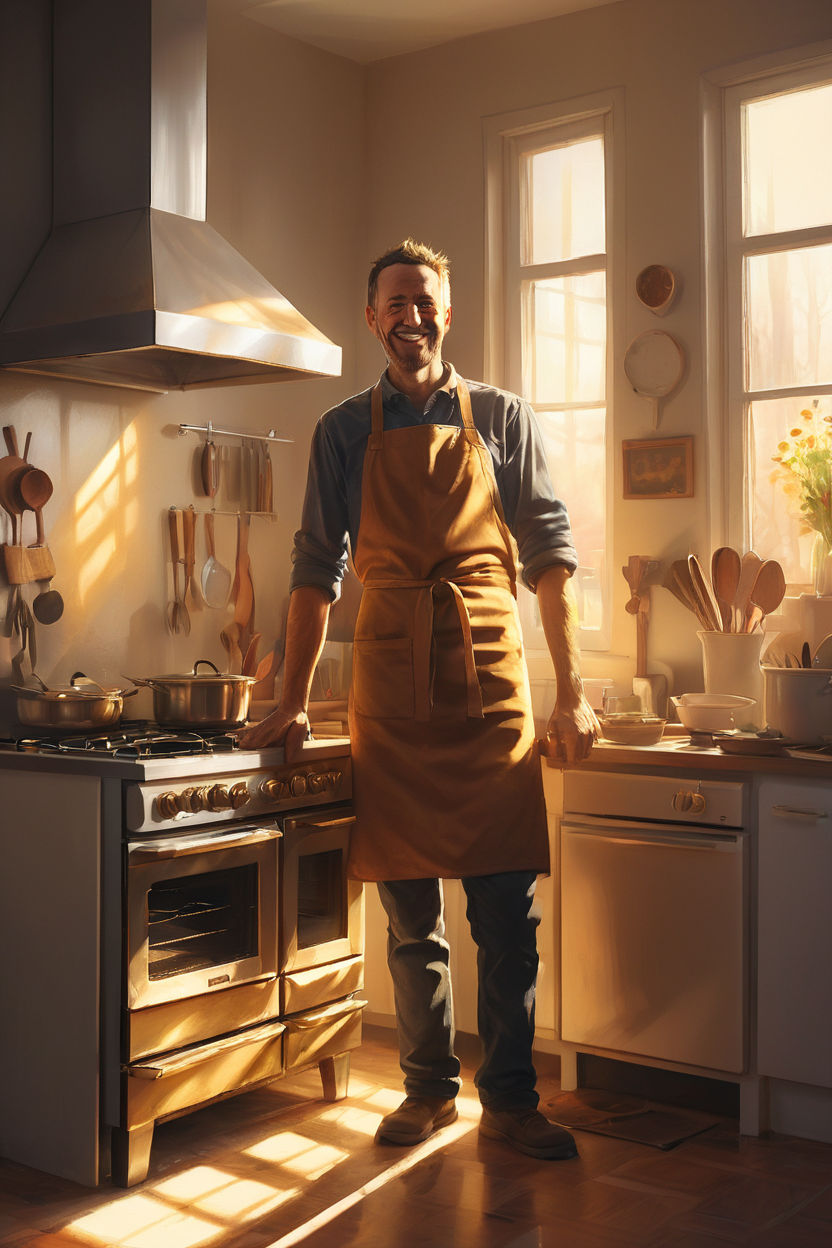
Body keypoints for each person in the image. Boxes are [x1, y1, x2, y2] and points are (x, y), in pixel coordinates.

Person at [238, 238, 597, 1160]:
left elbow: (551, 560)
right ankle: (429, 1089)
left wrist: (574, 696)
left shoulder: (505, 419)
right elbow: (316, 572)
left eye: (426, 301)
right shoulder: (341, 431)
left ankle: (511, 1101)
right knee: (411, 915)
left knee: (508, 913)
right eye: (396, 303)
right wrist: (286, 696)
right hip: (390, 685)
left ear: (448, 310)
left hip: (490, 676)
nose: (413, 317)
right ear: (373, 318)